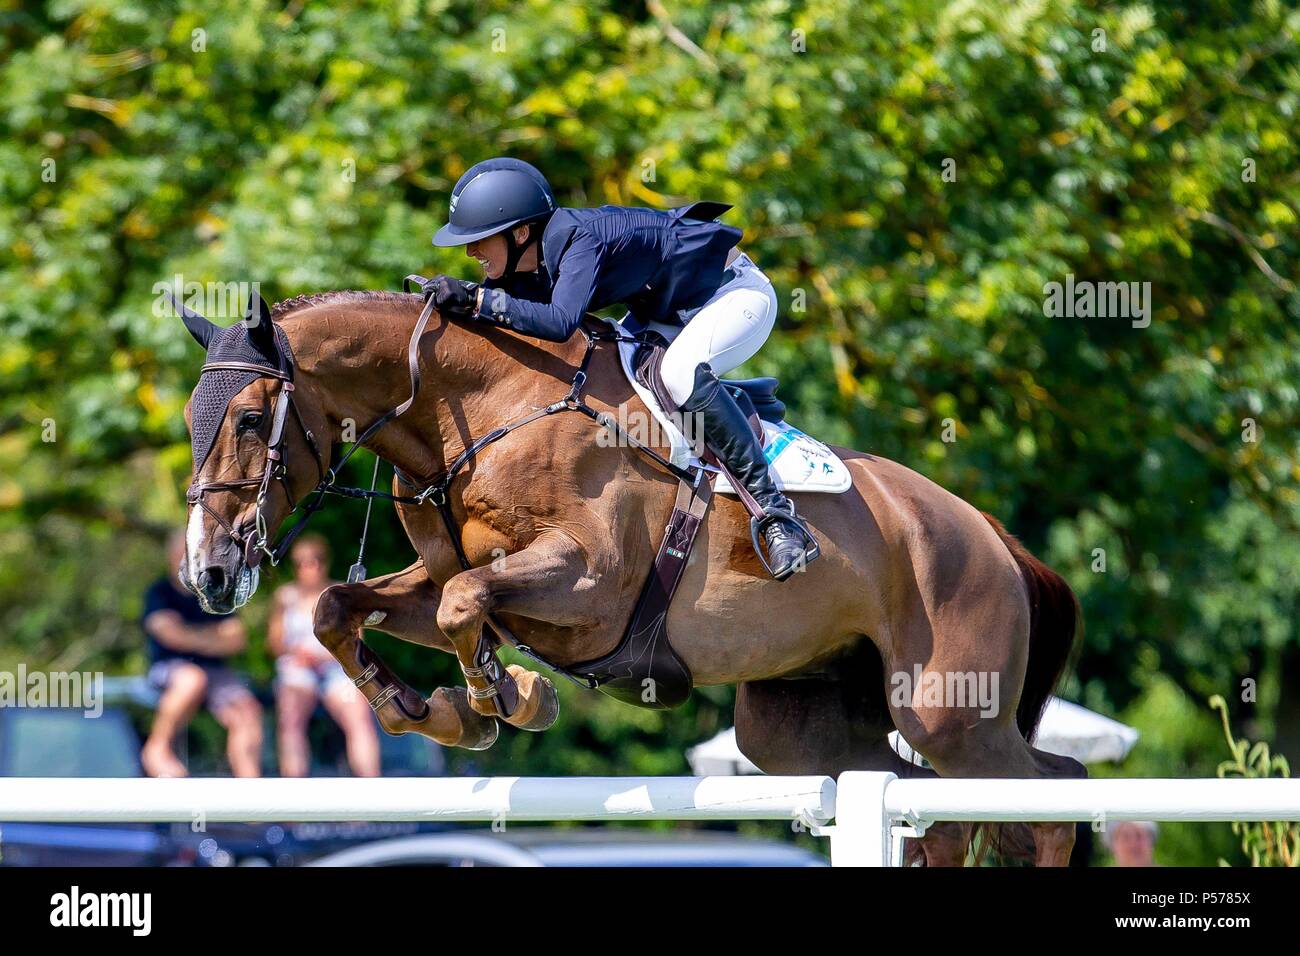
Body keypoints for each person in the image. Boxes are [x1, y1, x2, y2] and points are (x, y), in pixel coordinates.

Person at [426, 157, 818, 580]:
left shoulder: (579, 239)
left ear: (521, 232)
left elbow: (559, 323)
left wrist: (478, 301)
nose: (469, 251)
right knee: (611, 367)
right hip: (666, 311)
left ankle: (776, 515)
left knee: (679, 373)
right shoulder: (528, 256)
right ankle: (726, 411)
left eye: (481, 239)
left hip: (734, 296)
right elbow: (503, 313)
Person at [141, 532, 262, 777]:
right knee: (192, 680)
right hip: (171, 667)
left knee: (247, 710)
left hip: (216, 672)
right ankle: (157, 748)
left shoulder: (215, 590)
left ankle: (250, 787)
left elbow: (236, 639)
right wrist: (213, 636)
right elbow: (169, 635)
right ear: (172, 557)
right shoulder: (159, 592)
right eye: (184, 554)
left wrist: (189, 636)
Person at [268, 535, 380, 777]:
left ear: (325, 562)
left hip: (335, 666)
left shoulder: (340, 594)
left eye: (315, 561)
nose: (309, 567)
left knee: (358, 715)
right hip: (297, 667)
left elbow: (357, 640)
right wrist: (298, 653)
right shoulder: (285, 596)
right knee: (290, 719)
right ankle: (294, 807)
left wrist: (327, 656)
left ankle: (371, 797)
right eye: (302, 563)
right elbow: (275, 643)